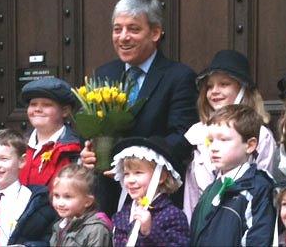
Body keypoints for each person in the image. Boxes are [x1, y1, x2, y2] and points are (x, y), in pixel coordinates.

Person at [80, 0, 198, 215]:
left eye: (133, 29)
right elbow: (92, 129)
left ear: (155, 32)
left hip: (156, 199)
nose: (123, 37)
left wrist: (137, 160)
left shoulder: (179, 77)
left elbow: (182, 136)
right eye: (117, 29)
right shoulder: (104, 73)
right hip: (107, 196)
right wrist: (89, 152)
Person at [183, 50, 277, 222]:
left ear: (243, 89)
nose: (214, 91)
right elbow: (191, 194)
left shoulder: (260, 135)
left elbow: (263, 191)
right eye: (210, 86)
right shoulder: (197, 133)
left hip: (239, 223)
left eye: (224, 84)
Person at [190, 104, 275, 246]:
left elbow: (258, 240)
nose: (214, 147)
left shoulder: (257, 188)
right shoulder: (211, 189)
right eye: (210, 141)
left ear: (250, 145)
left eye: (223, 140)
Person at [110, 136, 189, 246]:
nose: (130, 180)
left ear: (161, 177)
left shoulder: (172, 215)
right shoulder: (124, 213)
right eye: (127, 174)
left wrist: (149, 231)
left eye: (138, 172)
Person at [19, 77, 82, 187]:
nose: (37, 109)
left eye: (46, 104)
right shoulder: (18, 145)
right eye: (33, 104)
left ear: (65, 111)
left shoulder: (77, 150)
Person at [50, 163, 113, 247]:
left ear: (88, 201)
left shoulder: (96, 229)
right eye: (56, 195)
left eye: (67, 197)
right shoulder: (60, 224)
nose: (60, 203)